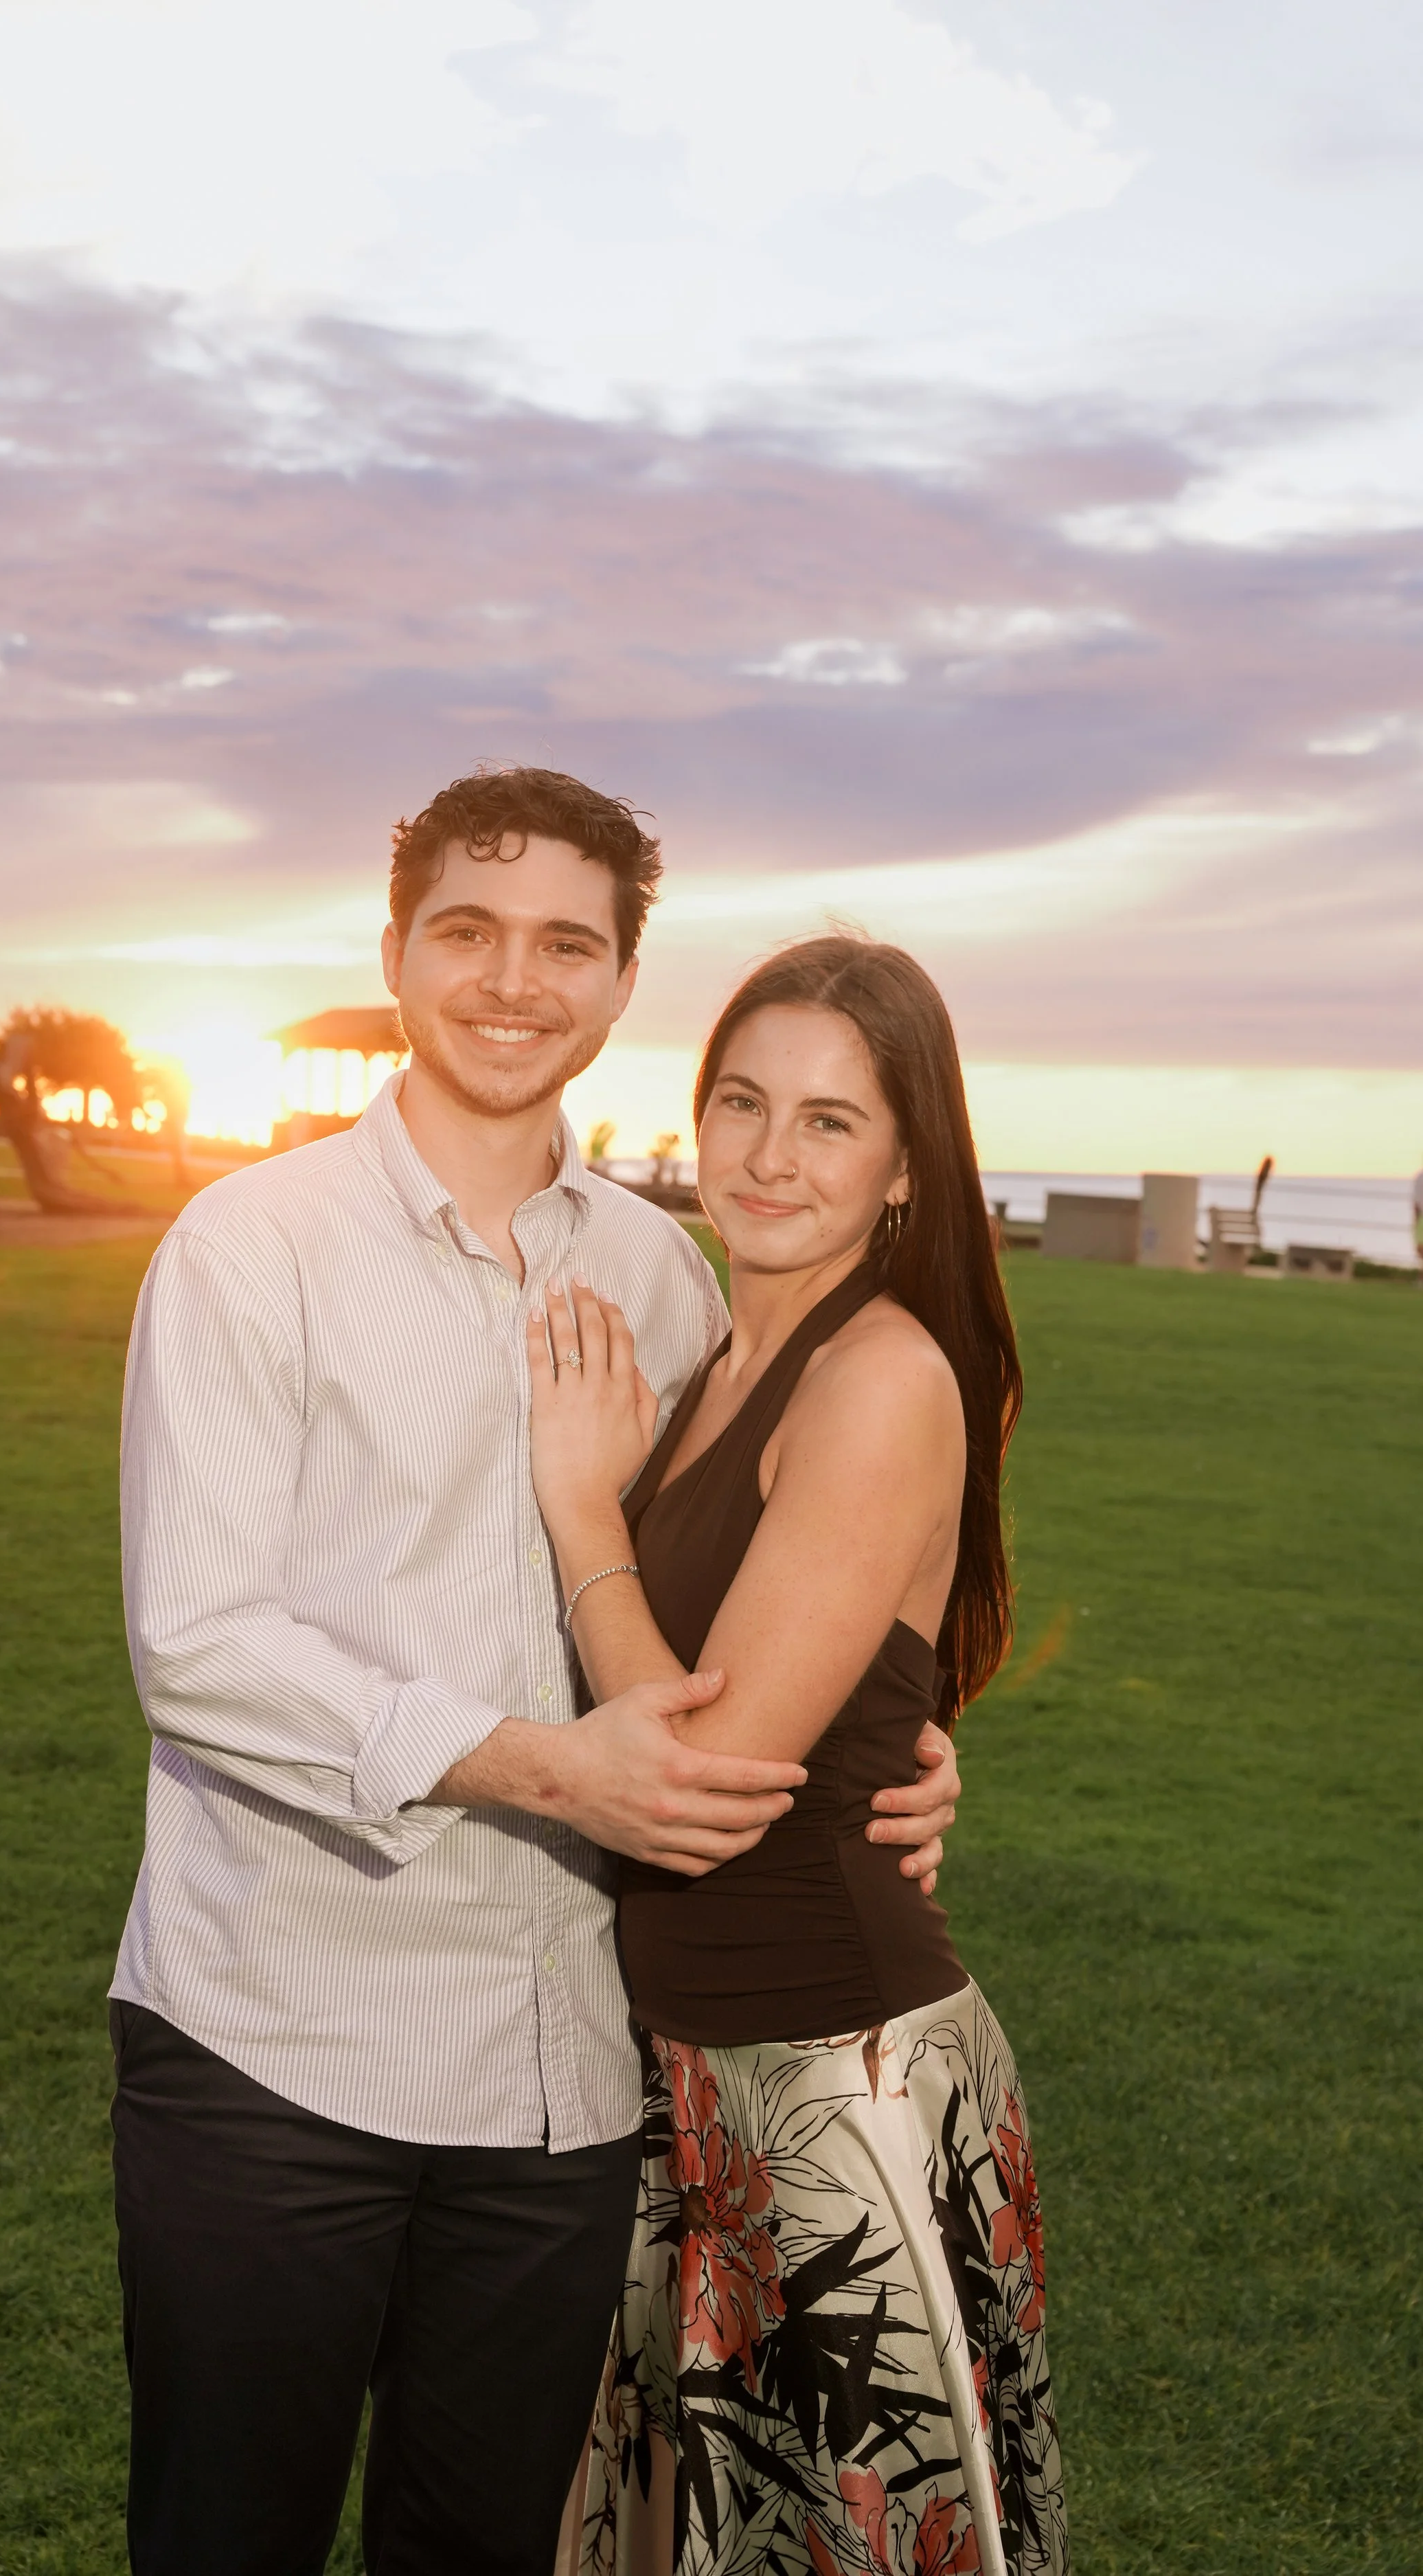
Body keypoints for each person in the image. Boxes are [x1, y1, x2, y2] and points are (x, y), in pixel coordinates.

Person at [108, 770, 963, 2576]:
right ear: (396, 950)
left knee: (494, 2545)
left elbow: (762, 1586)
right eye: (469, 931)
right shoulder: (251, 1249)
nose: (514, 980)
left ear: (621, 981)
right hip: (280, 2040)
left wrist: (894, 1741)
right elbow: (196, 1640)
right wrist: (533, 1763)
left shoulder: (668, 1277)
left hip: (569, 2078)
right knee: (226, 2535)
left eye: (566, 943)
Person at [529, 935, 1069, 2575]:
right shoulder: (711, 1355)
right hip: (687, 2077)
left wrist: (580, 1511)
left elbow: (694, 1786)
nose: (769, 1153)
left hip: (836, 2084)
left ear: (905, 1166)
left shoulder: (879, 1375)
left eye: (830, 1121)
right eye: (742, 1101)